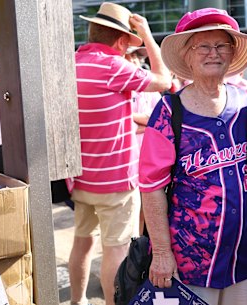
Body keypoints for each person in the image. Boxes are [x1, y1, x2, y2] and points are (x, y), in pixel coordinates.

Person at [138, 8, 247, 305]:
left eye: (221, 46)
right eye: (203, 46)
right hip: (190, 259)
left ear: (231, 55)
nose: (213, 53)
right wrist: (163, 253)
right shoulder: (169, 111)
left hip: (243, 255)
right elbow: (151, 187)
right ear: (188, 56)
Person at [69, 3, 171, 305]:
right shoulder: (114, 67)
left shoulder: (72, 64)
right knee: (115, 251)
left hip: (79, 177)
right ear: (121, 40)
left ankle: (77, 301)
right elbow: (164, 82)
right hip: (115, 180)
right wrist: (149, 36)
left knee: (82, 243)